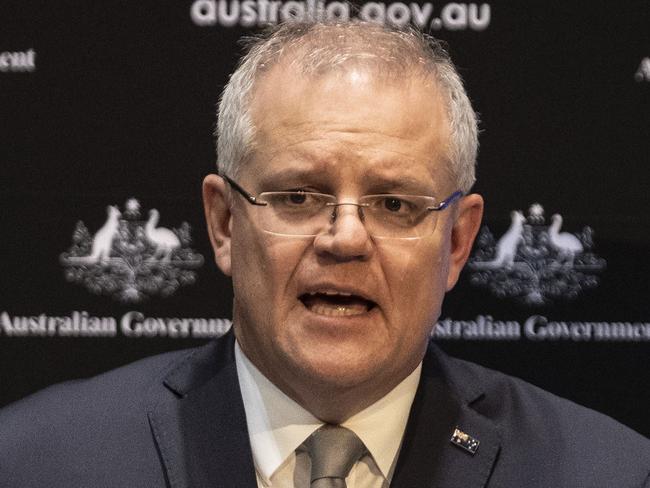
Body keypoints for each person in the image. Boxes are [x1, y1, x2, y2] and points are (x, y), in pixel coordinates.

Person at [1, 20, 649, 488]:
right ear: (224, 224)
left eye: (395, 204)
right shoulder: (35, 459)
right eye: (299, 197)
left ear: (456, 242)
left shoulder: (609, 472)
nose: (344, 238)